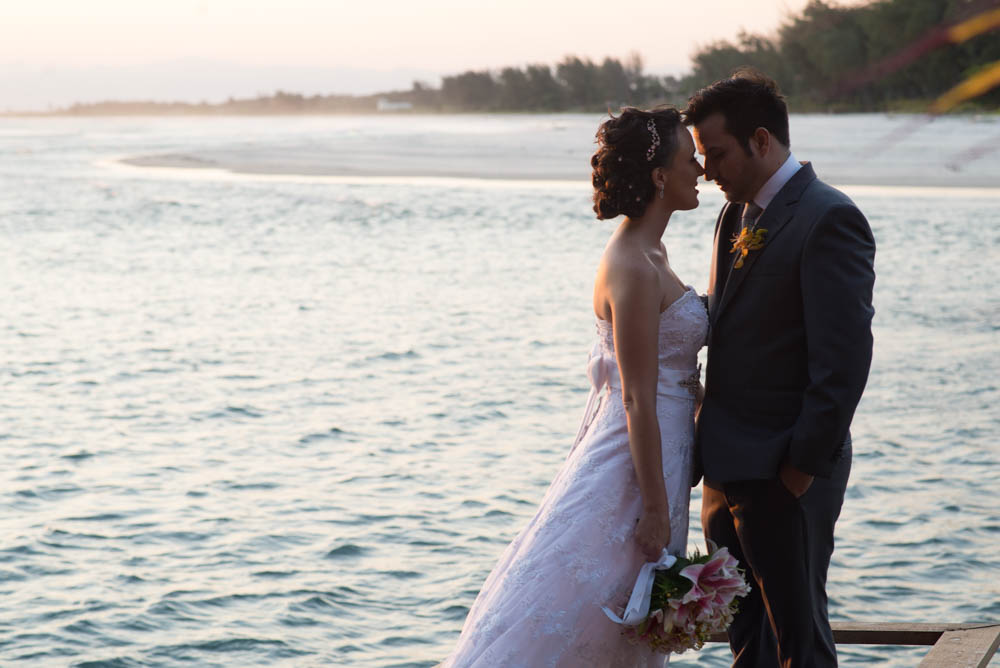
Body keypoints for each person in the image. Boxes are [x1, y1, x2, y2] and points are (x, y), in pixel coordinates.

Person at [441, 106, 707, 667]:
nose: (700, 169)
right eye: (689, 159)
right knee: (589, 606)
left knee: (623, 621)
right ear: (659, 175)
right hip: (633, 466)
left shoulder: (653, 251)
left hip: (662, 453)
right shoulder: (632, 263)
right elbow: (636, 396)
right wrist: (656, 507)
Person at [685, 71, 875, 667]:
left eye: (715, 153)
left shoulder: (829, 218)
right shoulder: (731, 217)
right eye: (699, 156)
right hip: (726, 469)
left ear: (760, 140)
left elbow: (843, 358)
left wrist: (800, 466)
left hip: (785, 470)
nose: (706, 169)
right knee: (749, 638)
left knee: (799, 637)